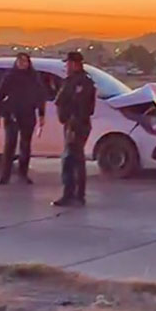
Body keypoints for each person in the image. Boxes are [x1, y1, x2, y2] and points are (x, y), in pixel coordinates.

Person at [52, 52, 96, 207]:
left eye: (69, 63)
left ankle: (73, 194)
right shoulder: (71, 81)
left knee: (72, 160)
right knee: (73, 159)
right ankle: (74, 193)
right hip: (71, 124)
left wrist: (72, 122)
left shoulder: (82, 82)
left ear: (76, 64)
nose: (67, 66)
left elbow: (81, 106)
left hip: (77, 124)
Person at [0, 53, 46, 185]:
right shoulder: (10, 76)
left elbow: (41, 96)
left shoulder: (34, 77)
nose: (23, 64)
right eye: (20, 61)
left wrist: (41, 114)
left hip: (28, 114)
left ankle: (23, 174)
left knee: (25, 145)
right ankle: (5, 176)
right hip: (12, 114)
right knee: (9, 145)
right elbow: (0, 95)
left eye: (25, 61)